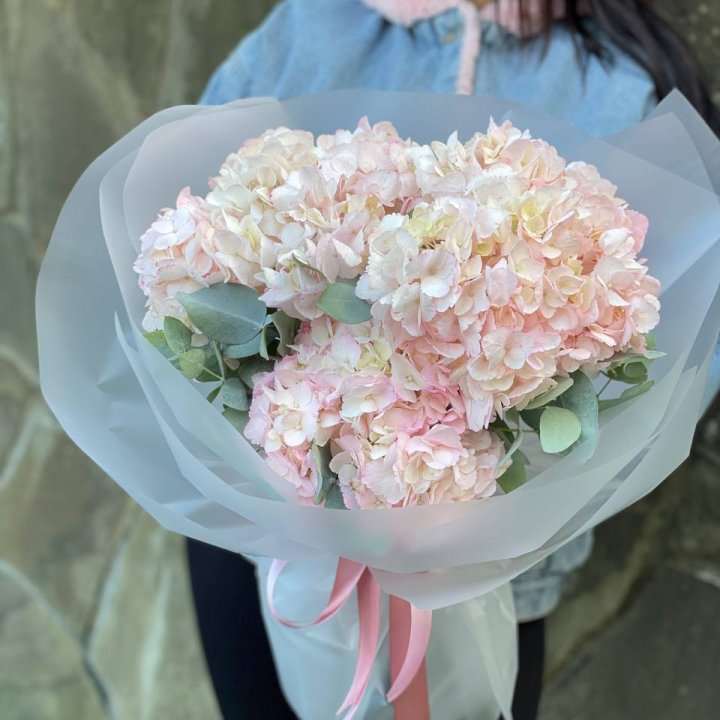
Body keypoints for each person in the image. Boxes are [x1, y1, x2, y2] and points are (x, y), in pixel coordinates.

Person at [187, 1, 720, 719]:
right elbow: (196, 253)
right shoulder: (312, 26)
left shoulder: (617, 86)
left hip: (491, 587)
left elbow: (687, 345)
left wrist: (519, 478)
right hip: (267, 556)